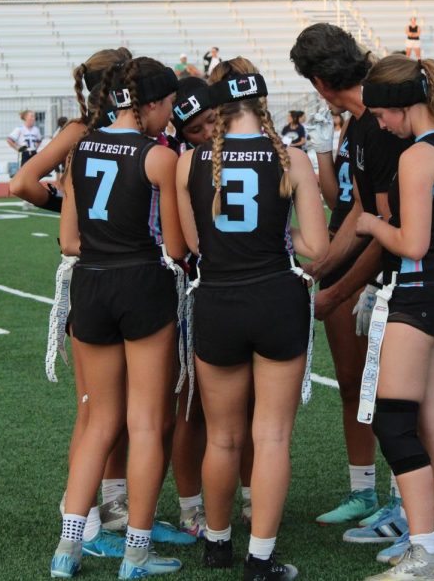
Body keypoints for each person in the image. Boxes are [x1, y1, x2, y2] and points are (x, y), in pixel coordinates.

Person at [178, 57, 328, 581]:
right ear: (262, 105)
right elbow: (318, 249)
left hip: (217, 301)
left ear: (217, 107)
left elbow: (188, 246)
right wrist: (277, 242)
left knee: (221, 437)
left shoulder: (190, 162)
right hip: (276, 299)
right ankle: (260, 559)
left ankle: (217, 544)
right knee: (271, 437)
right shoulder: (292, 160)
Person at [49, 56, 185, 579]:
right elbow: (173, 245)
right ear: (149, 103)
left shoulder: (80, 145)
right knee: (145, 423)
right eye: (169, 105)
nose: (170, 116)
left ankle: (68, 548)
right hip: (142, 284)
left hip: (91, 284)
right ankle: (135, 552)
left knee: (96, 424)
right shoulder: (158, 158)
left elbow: (68, 240)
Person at [290, 24, 413, 555]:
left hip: (394, 270)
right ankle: (373, 492)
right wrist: (323, 269)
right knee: (356, 384)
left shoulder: (381, 124)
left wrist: (336, 289)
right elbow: (354, 208)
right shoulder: (363, 123)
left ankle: (413, 506)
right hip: (360, 257)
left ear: (319, 81)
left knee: (400, 395)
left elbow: (385, 229)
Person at [355, 53, 434, 580]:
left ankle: (424, 551)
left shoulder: (416, 156)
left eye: (381, 114)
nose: (379, 123)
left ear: (404, 104)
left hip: (419, 293)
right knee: (433, 422)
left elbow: (414, 243)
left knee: (394, 422)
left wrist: (370, 225)